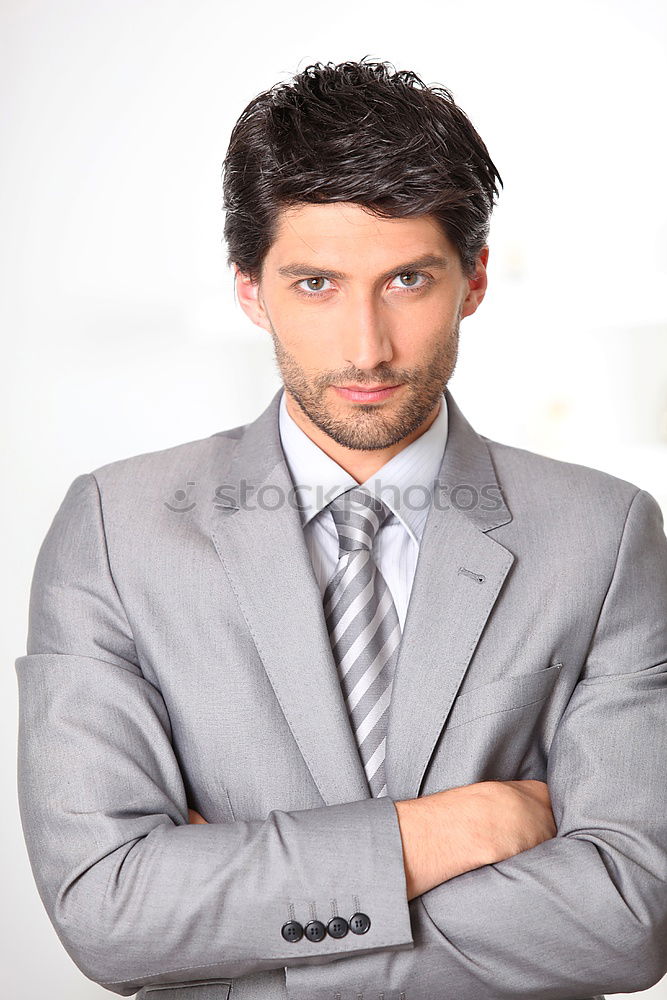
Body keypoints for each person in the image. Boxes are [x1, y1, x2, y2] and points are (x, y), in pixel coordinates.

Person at [15, 58, 667, 1000]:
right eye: (315, 283)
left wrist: (242, 907)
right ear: (250, 288)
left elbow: (627, 915)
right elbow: (109, 910)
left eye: (407, 278)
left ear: (473, 279)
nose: (365, 346)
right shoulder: (116, 530)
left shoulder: (603, 537)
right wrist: (445, 832)